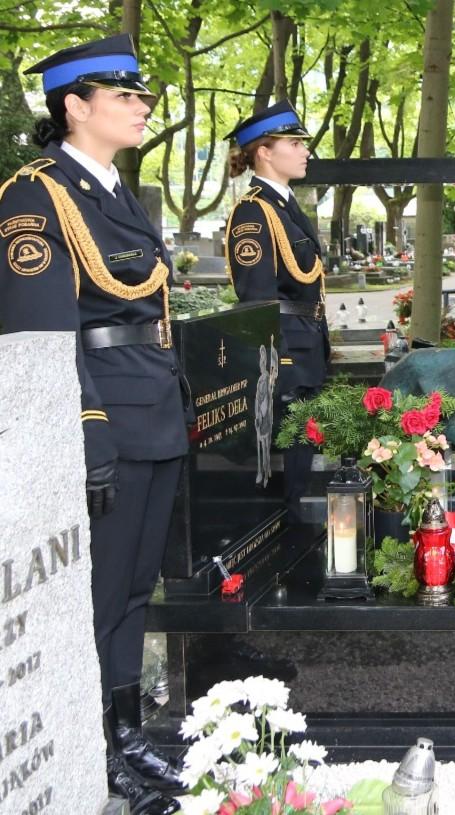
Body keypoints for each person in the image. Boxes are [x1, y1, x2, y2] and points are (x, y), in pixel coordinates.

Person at [0, 35, 186, 813]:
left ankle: (126, 733)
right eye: (124, 96)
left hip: (154, 409)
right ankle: (93, 750)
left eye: (142, 96)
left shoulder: (114, 189)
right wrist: (87, 431)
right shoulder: (35, 197)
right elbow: (43, 336)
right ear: (75, 106)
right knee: (96, 596)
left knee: (134, 588)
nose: (142, 107)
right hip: (104, 415)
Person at [223, 101, 328, 523]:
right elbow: (257, 299)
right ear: (264, 152)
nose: (305, 151)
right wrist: (277, 365)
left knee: (301, 464)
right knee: (286, 474)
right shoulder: (253, 212)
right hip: (285, 356)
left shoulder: (284, 206)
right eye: (294, 143)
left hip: (305, 347)